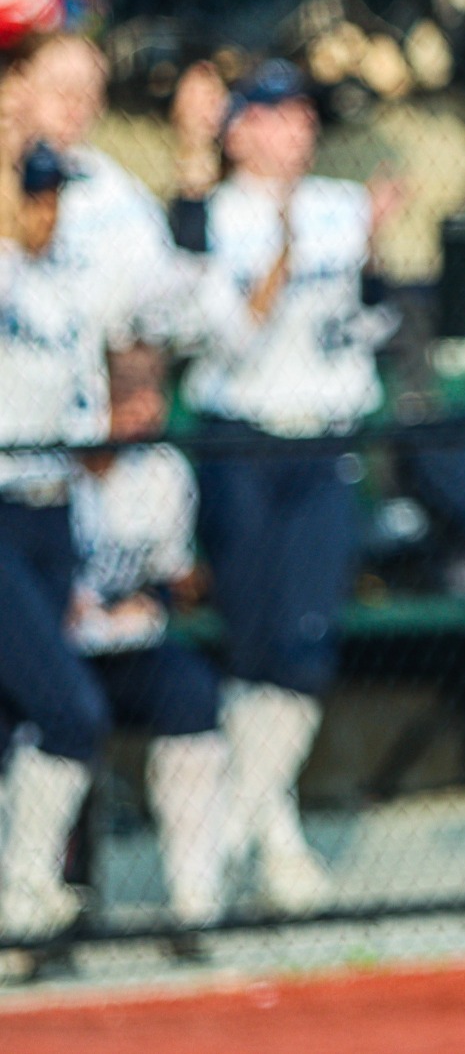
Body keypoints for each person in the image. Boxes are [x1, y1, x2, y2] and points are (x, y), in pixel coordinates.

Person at [181, 60, 395, 913]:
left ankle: (241, 826)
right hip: (242, 441)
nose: (295, 129)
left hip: (325, 439)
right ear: (238, 132)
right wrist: (281, 255)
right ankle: (271, 838)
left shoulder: (341, 203)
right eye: (273, 115)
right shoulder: (208, 217)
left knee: (303, 650)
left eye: (302, 114)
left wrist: (375, 249)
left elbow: (369, 324)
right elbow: (226, 340)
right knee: (253, 644)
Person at [68, 345, 231, 945]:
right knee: (59, 716)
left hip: (131, 649)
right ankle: (55, 905)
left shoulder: (164, 470)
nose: (145, 411)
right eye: (128, 396)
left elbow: (173, 578)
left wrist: (168, 593)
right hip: (64, 655)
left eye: (153, 394)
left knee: (192, 693)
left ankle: (195, 902)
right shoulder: (50, 470)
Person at [0, 138, 110, 943]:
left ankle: (21, 894)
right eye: (32, 195)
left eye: (53, 196)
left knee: (24, 715)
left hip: (51, 509)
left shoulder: (63, 281)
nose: (48, 210)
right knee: (70, 711)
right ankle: (23, 889)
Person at [18, 34, 194, 347]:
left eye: (88, 89)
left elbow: (168, 300)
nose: (74, 101)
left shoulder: (117, 194)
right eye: (60, 85)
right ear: (19, 85)